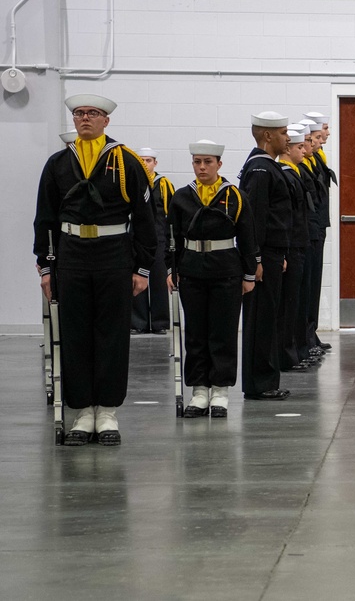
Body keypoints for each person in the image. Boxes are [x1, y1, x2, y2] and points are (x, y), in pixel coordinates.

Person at [33, 93, 157, 445]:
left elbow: (146, 219)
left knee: (112, 333)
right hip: (71, 255)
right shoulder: (58, 163)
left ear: (106, 121)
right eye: (79, 113)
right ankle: (82, 412)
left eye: (93, 113)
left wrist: (143, 267)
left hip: (114, 255)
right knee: (74, 333)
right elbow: (45, 217)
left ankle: (107, 412)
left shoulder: (125, 162)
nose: (84, 118)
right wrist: (45, 266)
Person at [167, 140, 259, 418]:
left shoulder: (234, 196)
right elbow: (172, 238)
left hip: (226, 270)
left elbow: (247, 237)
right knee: (195, 331)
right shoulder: (182, 196)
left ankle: (220, 390)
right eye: (197, 162)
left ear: (219, 164)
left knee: (223, 331)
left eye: (208, 162)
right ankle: (199, 390)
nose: (202, 167)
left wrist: (249, 274)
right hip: (192, 269)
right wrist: (171, 269)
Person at [238, 111, 293, 401]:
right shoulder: (260, 169)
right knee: (260, 318)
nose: (288, 138)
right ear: (267, 135)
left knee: (268, 317)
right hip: (263, 256)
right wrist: (255, 260)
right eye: (283, 133)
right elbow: (255, 218)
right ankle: (259, 382)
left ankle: (266, 379)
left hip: (271, 254)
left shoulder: (266, 166)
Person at [276, 126, 313, 372]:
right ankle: (286, 354)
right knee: (288, 306)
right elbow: (286, 218)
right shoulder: (285, 175)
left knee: (296, 302)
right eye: (300, 146)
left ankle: (295, 350)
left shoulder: (295, 173)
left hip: (300, 244)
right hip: (291, 247)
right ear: (287, 149)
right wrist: (286, 253)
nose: (304, 150)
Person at [302, 111, 337, 355]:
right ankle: (303, 336)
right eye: (318, 133)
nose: (323, 136)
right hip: (308, 230)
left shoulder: (317, 159)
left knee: (313, 285)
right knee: (305, 287)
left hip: (317, 227)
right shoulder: (301, 165)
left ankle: (309, 333)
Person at [131, 147, 174, 334]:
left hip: (158, 239)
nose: (145, 164)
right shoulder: (132, 182)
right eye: (141, 160)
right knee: (136, 280)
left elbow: (171, 215)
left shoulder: (163, 184)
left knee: (158, 280)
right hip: (136, 239)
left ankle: (160, 323)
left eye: (148, 160)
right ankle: (137, 323)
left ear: (155, 163)